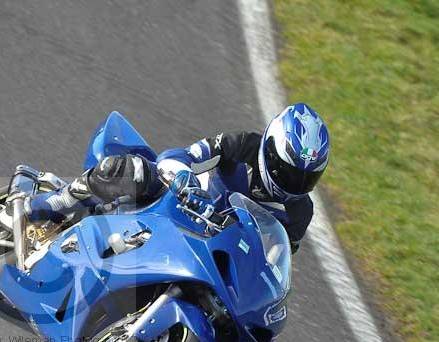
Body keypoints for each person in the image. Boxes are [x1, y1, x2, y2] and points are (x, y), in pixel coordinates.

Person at [27, 103, 330, 253]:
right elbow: (179, 156)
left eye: (306, 178)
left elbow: (275, 260)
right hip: (174, 203)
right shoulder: (241, 146)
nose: (294, 183)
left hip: (212, 250)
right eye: (289, 170)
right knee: (131, 170)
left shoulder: (299, 214)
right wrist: (185, 183)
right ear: (271, 149)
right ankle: (55, 202)